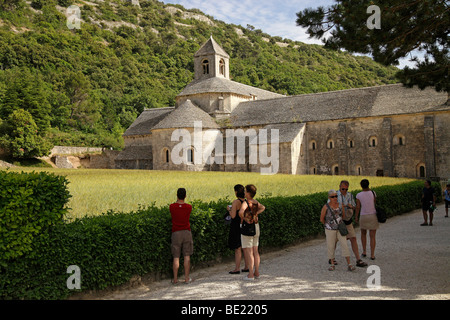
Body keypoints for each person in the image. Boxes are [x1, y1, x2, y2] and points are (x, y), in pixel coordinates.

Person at [320, 190, 355, 271]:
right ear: (329, 198)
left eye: (336, 196)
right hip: (330, 229)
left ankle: (349, 264)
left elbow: (342, 215)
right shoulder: (326, 207)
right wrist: (328, 225)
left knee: (345, 244)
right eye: (333, 197)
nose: (335, 198)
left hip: (339, 228)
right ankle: (332, 264)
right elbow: (321, 218)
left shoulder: (340, 205)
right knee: (331, 245)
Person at [337, 181, 367, 268]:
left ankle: (358, 259)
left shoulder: (350, 195)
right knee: (335, 240)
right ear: (339, 187)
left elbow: (354, 206)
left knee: (353, 238)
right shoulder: (335, 195)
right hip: (338, 221)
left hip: (348, 220)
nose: (344, 191)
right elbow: (329, 206)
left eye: (346, 189)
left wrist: (351, 206)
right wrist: (340, 207)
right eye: (343, 189)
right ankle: (332, 258)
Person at [238, 184, 265, 280]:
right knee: (255, 251)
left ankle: (250, 274)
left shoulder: (246, 202)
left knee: (249, 252)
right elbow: (263, 208)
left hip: (248, 227)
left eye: (245, 191)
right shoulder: (255, 202)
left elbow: (240, 212)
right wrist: (255, 214)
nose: (244, 192)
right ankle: (256, 272)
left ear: (248, 193)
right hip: (256, 226)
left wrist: (245, 218)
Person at [170, 188, 193, 284]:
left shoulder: (172, 206)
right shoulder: (189, 207)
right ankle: (187, 278)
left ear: (177, 195)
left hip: (176, 233)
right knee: (186, 255)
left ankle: (175, 279)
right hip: (186, 232)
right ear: (185, 196)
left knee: (176, 257)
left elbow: (175, 206)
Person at [227, 184, 249, 274]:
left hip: (236, 226)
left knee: (238, 248)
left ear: (236, 192)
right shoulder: (246, 201)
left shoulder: (236, 202)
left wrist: (229, 209)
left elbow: (233, 216)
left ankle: (237, 268)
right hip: (244, 225)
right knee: (245, 247)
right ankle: (247, 266)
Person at [355, 179, 379, 260]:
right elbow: (374, 202)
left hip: (363, 215)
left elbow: (358, 207)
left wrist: (356, 217)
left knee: (363, 234)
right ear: (368, 184)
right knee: (372, 236)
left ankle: (364, 252)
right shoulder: (373, 193)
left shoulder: (358, 195)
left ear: (361, 185)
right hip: (372, 215)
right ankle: (372, 255)